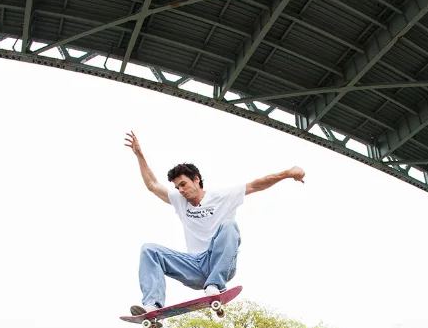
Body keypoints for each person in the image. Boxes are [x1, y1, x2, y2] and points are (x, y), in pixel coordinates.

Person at [125, 131, 305, 314]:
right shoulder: (179, 199)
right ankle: (152, 305)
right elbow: (153, 185)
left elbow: (256, 185)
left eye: (184, 184)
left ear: (196, 180)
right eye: (177, 187)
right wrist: (139, 155)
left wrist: (287, 173)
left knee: (229, 226)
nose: (181, 191)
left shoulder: (222, 196)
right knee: (149, 249)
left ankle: (215, 285)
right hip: (193, 266)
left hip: (220, 262)